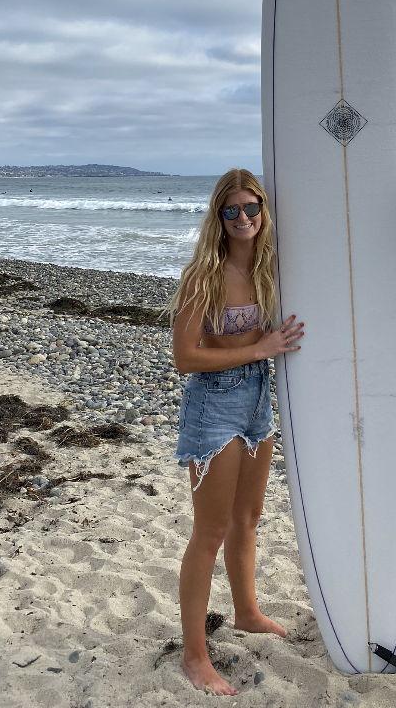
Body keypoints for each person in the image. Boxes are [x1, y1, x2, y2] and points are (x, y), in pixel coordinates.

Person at [170, 168, 305, 696]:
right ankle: (195, 654)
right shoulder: (204, 275)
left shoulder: (274, 269)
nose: (244, 218)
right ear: (219, 218)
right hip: (214, 407)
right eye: (233, 211)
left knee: (248, 519)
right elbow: (185, 357)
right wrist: (259, 349)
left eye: (252, 208)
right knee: (210, 532)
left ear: (264, 213)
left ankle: (247, 611)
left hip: (256, 403)